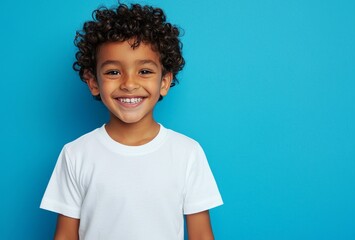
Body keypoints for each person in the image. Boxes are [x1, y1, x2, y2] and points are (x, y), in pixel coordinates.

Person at [40, 3, 223, 240]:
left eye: (144, 71)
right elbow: (65, 236)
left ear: (165, 82)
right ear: (93, 82)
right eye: (113, 72)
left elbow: (201, 235)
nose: (128, 84)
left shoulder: (187, 153)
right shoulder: (76, 154)